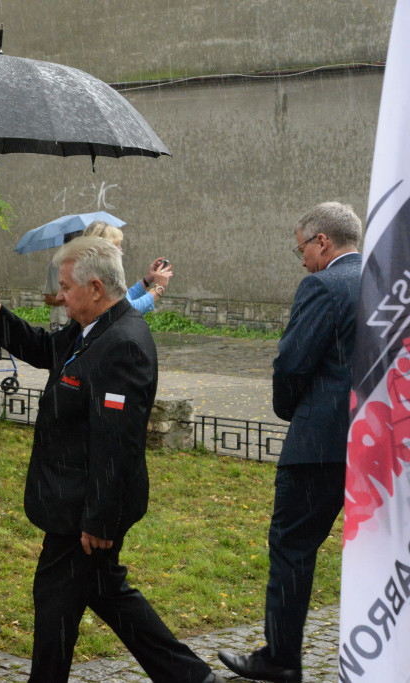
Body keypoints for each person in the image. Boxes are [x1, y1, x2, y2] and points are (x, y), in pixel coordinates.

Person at [0, 236, 224, 683]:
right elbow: (47, 349)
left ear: (94, 287)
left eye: (66, 287)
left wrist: (100, 519)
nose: (60, 295)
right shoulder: (92, 328)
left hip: (84, 506)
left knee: (54, 600)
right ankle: (189, 676)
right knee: (107, 593)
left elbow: (118, 442)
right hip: (76, 499)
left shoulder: (123, 341)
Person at [218, 202, 362, 683]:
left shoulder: (322, 284)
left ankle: (281, 658)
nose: (300, 259)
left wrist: (289, 411)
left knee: (293, 546)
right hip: (374, 445)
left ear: (322, 242)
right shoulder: (385, 285)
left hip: (319, 445)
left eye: (300, 248)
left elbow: (293, 362)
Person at [82, 221, 172, 314]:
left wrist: (147, 280)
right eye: (117, 245)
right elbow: (129, 310)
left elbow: (123, 301)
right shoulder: (104, 274)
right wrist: (159, 288)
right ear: (105, 249)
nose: (121, 250)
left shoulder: (92, 269)